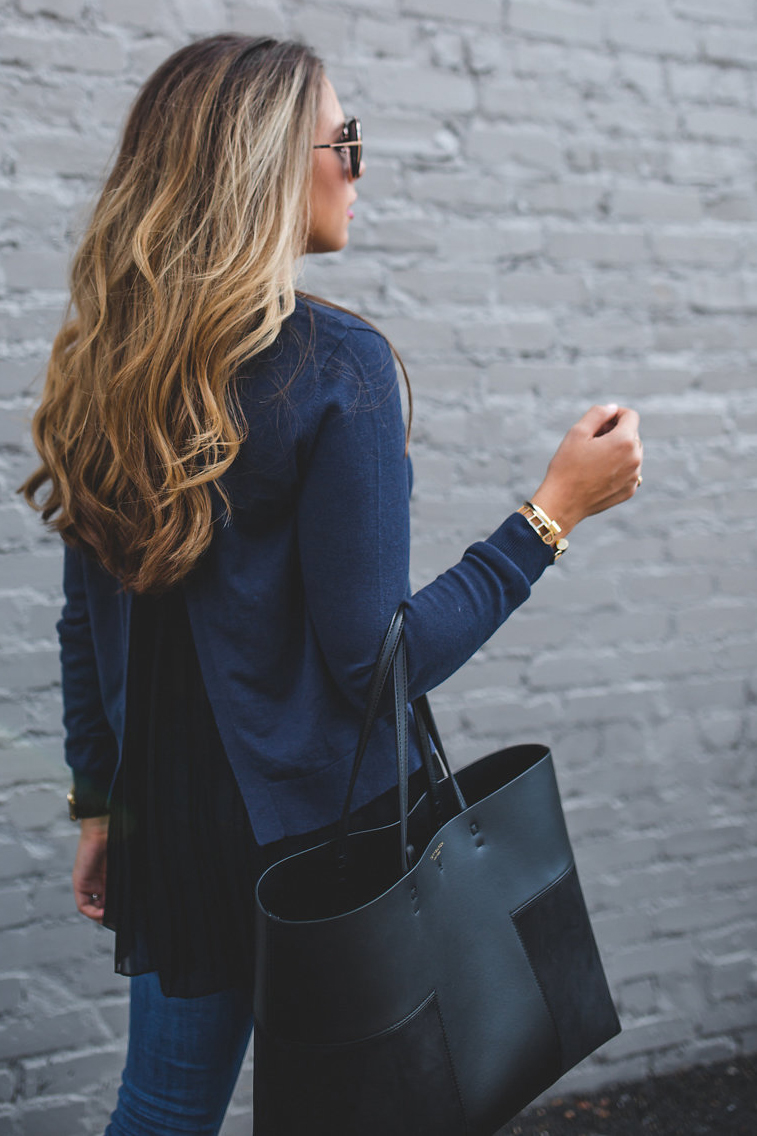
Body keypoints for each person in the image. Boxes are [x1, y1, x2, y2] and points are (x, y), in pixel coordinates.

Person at [20, 34, 643, 1136]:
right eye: (344, 141)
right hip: (325, 846)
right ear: (265, 165)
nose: (359, 165)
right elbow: (377, 663)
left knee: (162, 1106)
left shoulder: (106, 368)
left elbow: (89, 626)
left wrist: (101, 802)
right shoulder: (332, 365)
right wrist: (551, 514)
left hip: (174, 823)